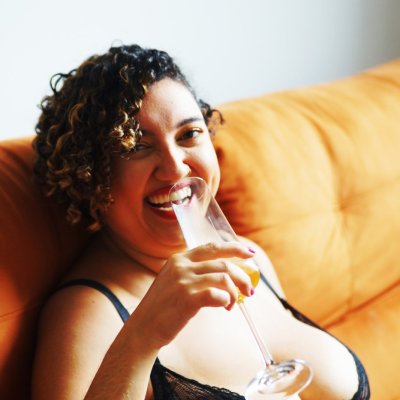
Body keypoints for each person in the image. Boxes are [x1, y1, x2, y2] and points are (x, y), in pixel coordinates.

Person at [31, 44, 369, 400]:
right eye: (137, 147)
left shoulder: (249, 256)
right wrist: (143, 335)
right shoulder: (86, 315)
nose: (175, 168)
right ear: (89, 176)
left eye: (189, 134)